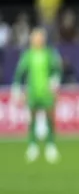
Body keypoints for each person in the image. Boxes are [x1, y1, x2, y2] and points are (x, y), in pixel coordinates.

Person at [12, 27, 62, 163]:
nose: (38, 40)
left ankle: (50, 145)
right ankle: (32, 145)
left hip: (46, 93)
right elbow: (19, 73)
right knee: (32, 119)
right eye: (36, 37)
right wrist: (16, 88)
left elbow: (57, 70)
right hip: (32, 93)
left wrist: (55, 82)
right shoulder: (27, 55)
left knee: (50, 118)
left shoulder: (49, 54)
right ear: (32, 39)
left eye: (40, 37)